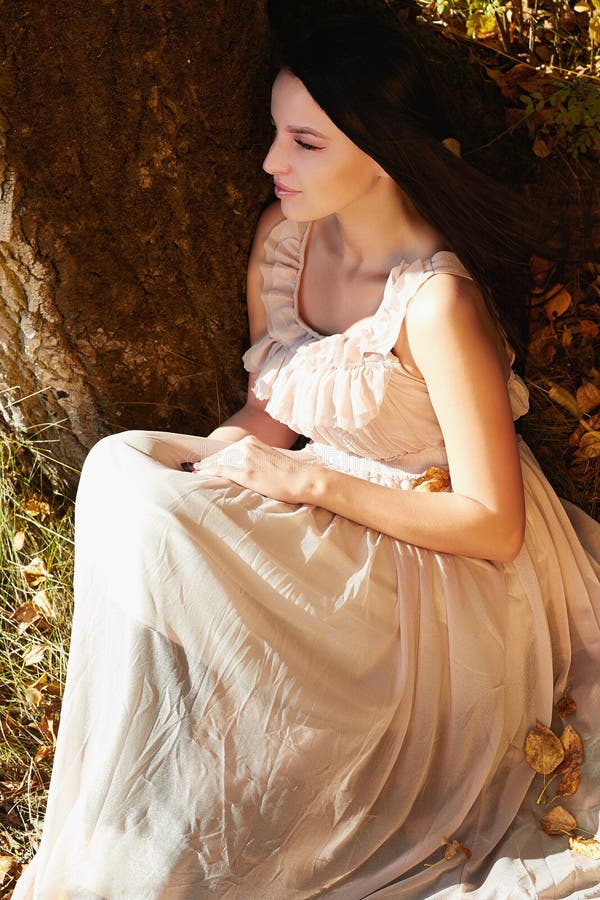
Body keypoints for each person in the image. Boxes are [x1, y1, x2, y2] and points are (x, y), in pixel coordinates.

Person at [13, 15, 600, 900]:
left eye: (304, 141)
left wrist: (305, 481)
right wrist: (207, 480)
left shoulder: (436, 303)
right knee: (124, 472)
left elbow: (495, 526)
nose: (270, 162)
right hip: (331, 502)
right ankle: (149, 771)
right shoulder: (285, 245)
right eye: (277, 133)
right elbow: (273, 411)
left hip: (446, 569)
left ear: (378, 150)